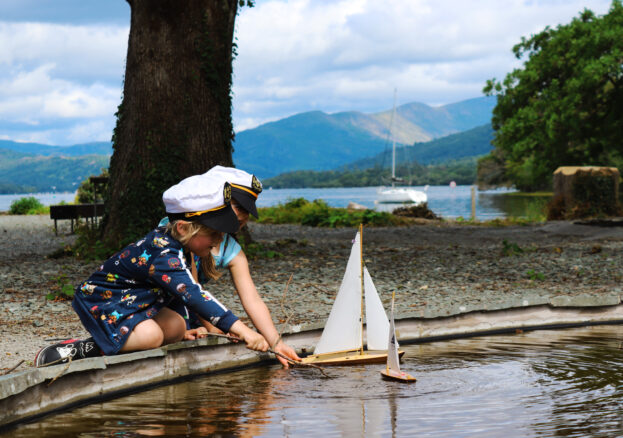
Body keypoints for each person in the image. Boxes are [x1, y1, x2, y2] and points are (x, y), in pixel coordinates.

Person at [35, 173, 268, 366]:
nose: (219, 241)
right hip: (105, 301)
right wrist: (244, 331)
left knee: (177, 326)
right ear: (184, 228)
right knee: (151, 336)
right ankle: (83, 349)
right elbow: (196, 296)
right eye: (214, 234)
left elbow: (179, 296)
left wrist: (192, 331)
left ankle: (125, 341)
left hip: (135, 302)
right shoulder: (165, 255)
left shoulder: (179, 246)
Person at [162, 166, 301, 368]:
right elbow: (191, 290)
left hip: (196, 307)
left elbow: (252, 298)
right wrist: (215, 327)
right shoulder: (186, 232)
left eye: (248, 210)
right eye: (239, 208)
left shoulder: (229, 247)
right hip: (167, 306)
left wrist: (276, 343)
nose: (245, 216)